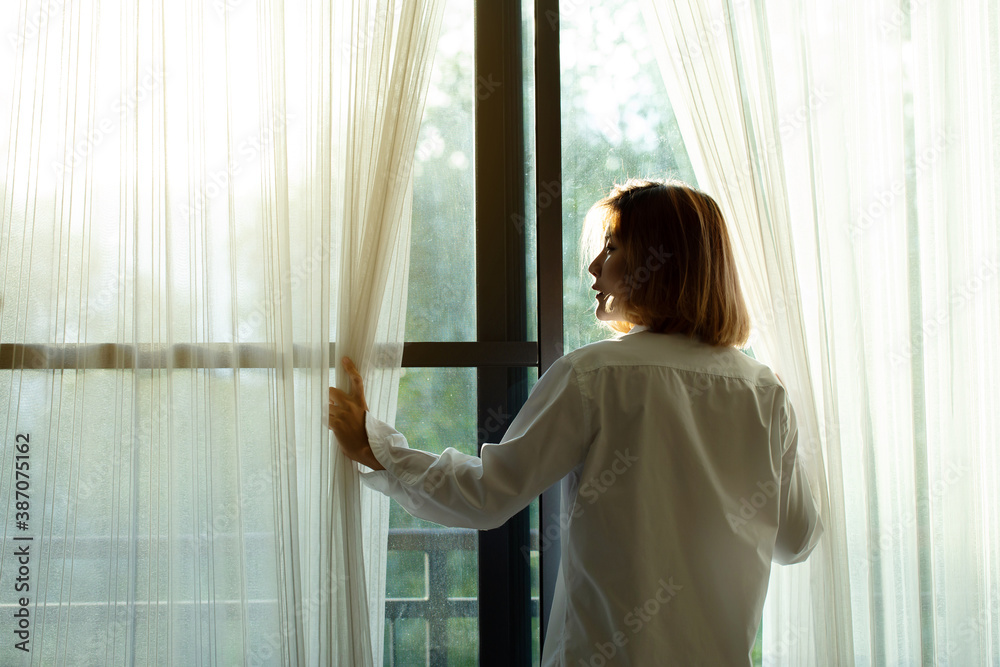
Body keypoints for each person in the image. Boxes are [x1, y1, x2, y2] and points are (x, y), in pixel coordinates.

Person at [329, 179, 823, 665]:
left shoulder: (593, 377)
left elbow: (487, 496)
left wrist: (379, 449)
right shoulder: (764, 394)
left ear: (661, 263)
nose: (593, 267)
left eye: (611, 248)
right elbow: (796, 540)